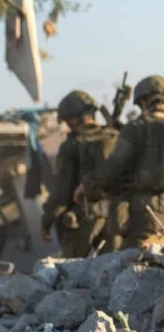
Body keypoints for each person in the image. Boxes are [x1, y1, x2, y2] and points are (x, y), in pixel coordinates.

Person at [81, 75, 164, 248]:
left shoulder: (135, 128)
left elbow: (114, 168)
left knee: (141, 262)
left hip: (146, 215)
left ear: (143, 101)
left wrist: (88, 186)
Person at [42, 90, 117, 257]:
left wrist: (47, 221)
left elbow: (62, 192)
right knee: (116, 268)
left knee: (73, 269)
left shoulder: (72, 145)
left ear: (73, 118)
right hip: (116, 219)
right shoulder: (117, 138)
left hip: (83, 220)